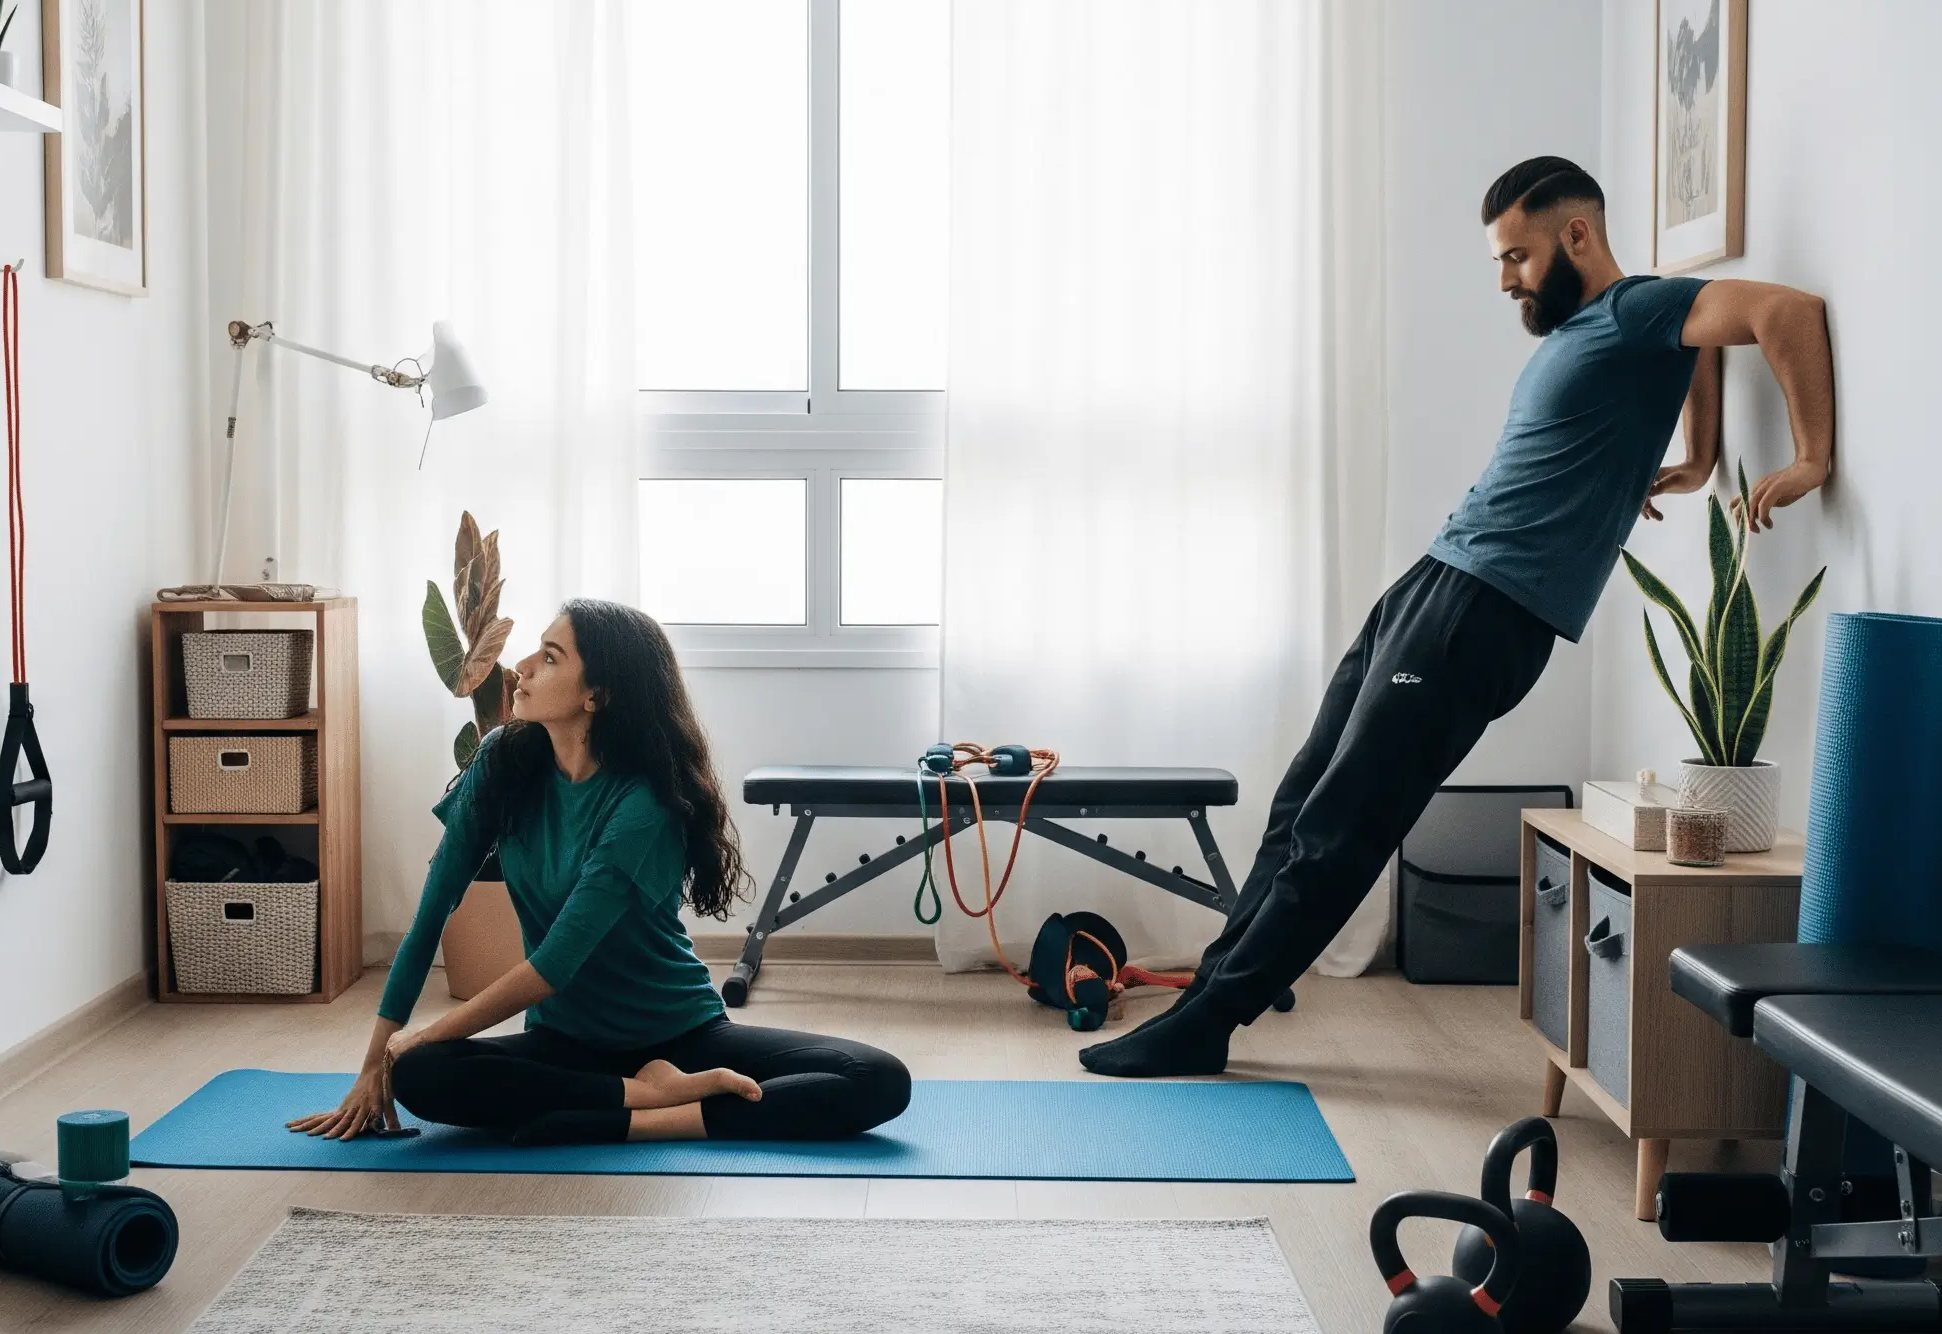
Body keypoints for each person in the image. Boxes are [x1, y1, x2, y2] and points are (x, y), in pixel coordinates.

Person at [1081, 154, 1836, 1078]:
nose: (1506, 279)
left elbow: (1782, 313)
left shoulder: (1637, 306)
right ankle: (1217, 987)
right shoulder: (1616, 325)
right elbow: (1705, 339)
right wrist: (1697, 458)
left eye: (1516, 257)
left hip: (1485, 612)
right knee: (1302, 798)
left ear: (1576, 235)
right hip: (1432, 584)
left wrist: (1809, 460)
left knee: (1344, 823)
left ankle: (1209, 1025)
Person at [290, 599, 913, 1145]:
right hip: (567, 1049)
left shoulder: (643, 803)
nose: (523, 668)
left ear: (598, 694)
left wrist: (419, 1038)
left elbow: (553, 966)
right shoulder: (501, 765)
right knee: (422, 1075)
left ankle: (638, 1116)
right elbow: (430, 917)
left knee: (876, 1080)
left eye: (551, 658)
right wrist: (379, 1062)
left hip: (680, 1036)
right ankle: (646, 1097)